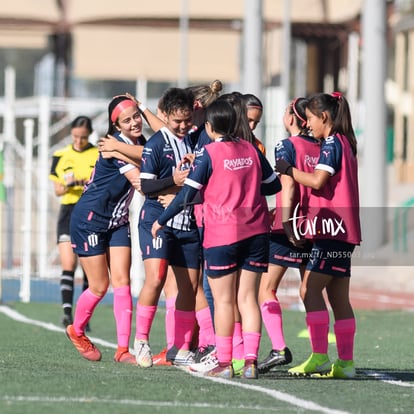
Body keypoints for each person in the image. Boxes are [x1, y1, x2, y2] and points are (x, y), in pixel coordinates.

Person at [152, 99, 281, 379]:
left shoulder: (208, 153)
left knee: (224, 302)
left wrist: (161, 220)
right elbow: (274, 185)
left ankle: (224, 361)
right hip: (257, 232)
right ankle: (250, 362)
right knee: (248, 298)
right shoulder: (252, 149)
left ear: (209, 127)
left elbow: (187, 194)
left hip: (222, 233)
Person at [275, 91, 361, 379]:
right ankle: (346, 363)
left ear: (324, 117)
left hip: (332, 230)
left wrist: (288, 169)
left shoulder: (332, 144)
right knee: (339, 298)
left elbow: (317, 180)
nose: (308, 124)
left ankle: (320, 356)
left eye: (311, 118)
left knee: (308, 290)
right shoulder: (346, 142)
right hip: (344, 230)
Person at [65, 95, 145, 364]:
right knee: (99, 286)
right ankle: (76, 331)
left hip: (117, 221)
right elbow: (141, 184)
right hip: (90, 220)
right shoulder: (114, 147)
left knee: (123, 282)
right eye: (127, 119)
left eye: (136, 116)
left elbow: (158, 152)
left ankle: (123, 350)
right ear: (116, 125)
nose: (134, 122)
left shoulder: (140, 144)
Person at [134, 87, 200, 368]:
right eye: (177, 122)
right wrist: (173, 181)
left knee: (189, 286)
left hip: (187, 223)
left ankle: (180, 348)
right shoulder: (155, 145)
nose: (183, 126)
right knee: (157, 278)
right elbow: (146, 186)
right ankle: (141, 341)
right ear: (165, 116)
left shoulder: (194, 142)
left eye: (187, 121)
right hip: (156, 222)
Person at [257, 97, 320, 373]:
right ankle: (319, 354)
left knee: (266, 289)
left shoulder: (286, 145)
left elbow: (290, 187)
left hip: (289, 226)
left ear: (292, 119)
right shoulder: (322, 145)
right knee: (311, 293)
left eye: (285, 111)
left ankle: (279, 347)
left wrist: (284, 222)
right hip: (315, 226)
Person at [49, 116, 98, 329]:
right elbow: (58, 190)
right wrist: (72, 184)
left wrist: (85, 182)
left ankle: (84, 317)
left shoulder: (98, 154)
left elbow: (99, 184)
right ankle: (67, 313)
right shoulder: (61, 155)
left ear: (90, 135)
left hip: (90, 213)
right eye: (76, 137)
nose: (79, 141)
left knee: (89, 267)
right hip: (68, 212)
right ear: (71, 134)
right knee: (68, 263)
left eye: (84, 137)